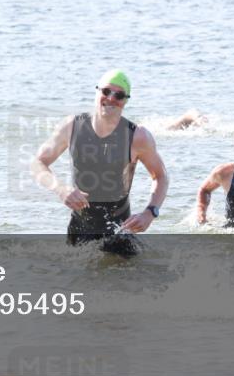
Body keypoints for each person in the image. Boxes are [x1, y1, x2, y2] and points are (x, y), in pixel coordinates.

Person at [31, 69, 169, 257]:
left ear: (125, 101)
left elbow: (161, 176)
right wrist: (60, 188)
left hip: (120, 232)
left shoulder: (138, 136)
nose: (111, 98)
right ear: (97, 91)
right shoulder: (72, 126)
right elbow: (38, 162)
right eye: (106, 91)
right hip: (79, 230)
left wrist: (150, 213)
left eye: (119, 95)